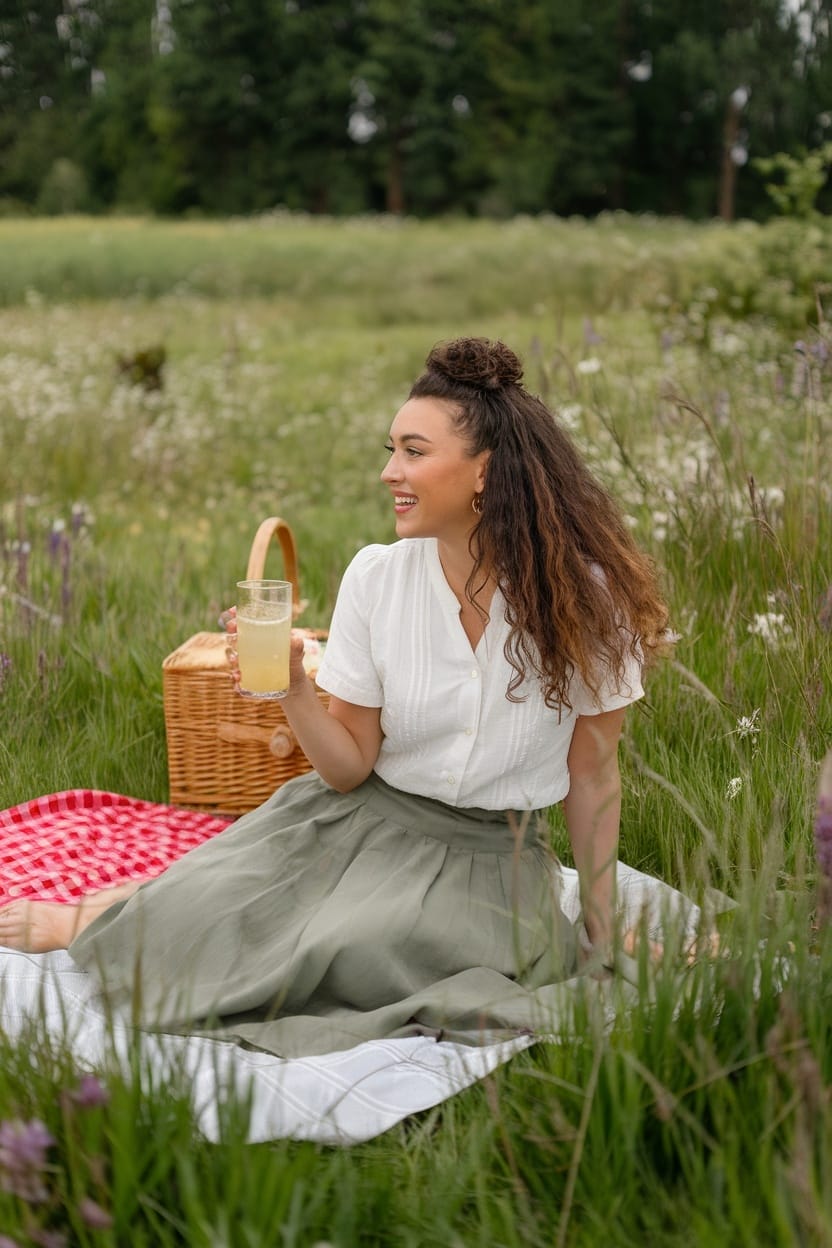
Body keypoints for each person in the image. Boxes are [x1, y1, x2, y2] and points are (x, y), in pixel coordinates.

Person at [0, 337, 669, 1057]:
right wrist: (293, 687)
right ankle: (91, 919)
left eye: (413, 452)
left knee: (351, 950)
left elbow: (594, 774)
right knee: (203, 912)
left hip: (488, 861)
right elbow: (347, 769)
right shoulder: (377, 578)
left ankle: (141, 916)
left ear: (485, 472)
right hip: (352, 822)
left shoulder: (587, 601)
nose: (390, 472)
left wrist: (598, 929)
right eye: (391, 450)